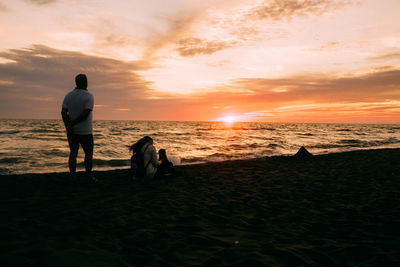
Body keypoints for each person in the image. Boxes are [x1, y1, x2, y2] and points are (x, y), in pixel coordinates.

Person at [61, 74, 97, 182]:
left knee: (73, 153)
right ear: (86, 82)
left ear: (76, 83)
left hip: (72, 131)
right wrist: (73, 123)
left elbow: (63, 112)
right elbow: (86, 113)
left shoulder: (68, 95)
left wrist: (68, 125)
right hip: (85, 131)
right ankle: (88, 175)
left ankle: (73, 176)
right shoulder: (88, 96)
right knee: (88, 153)